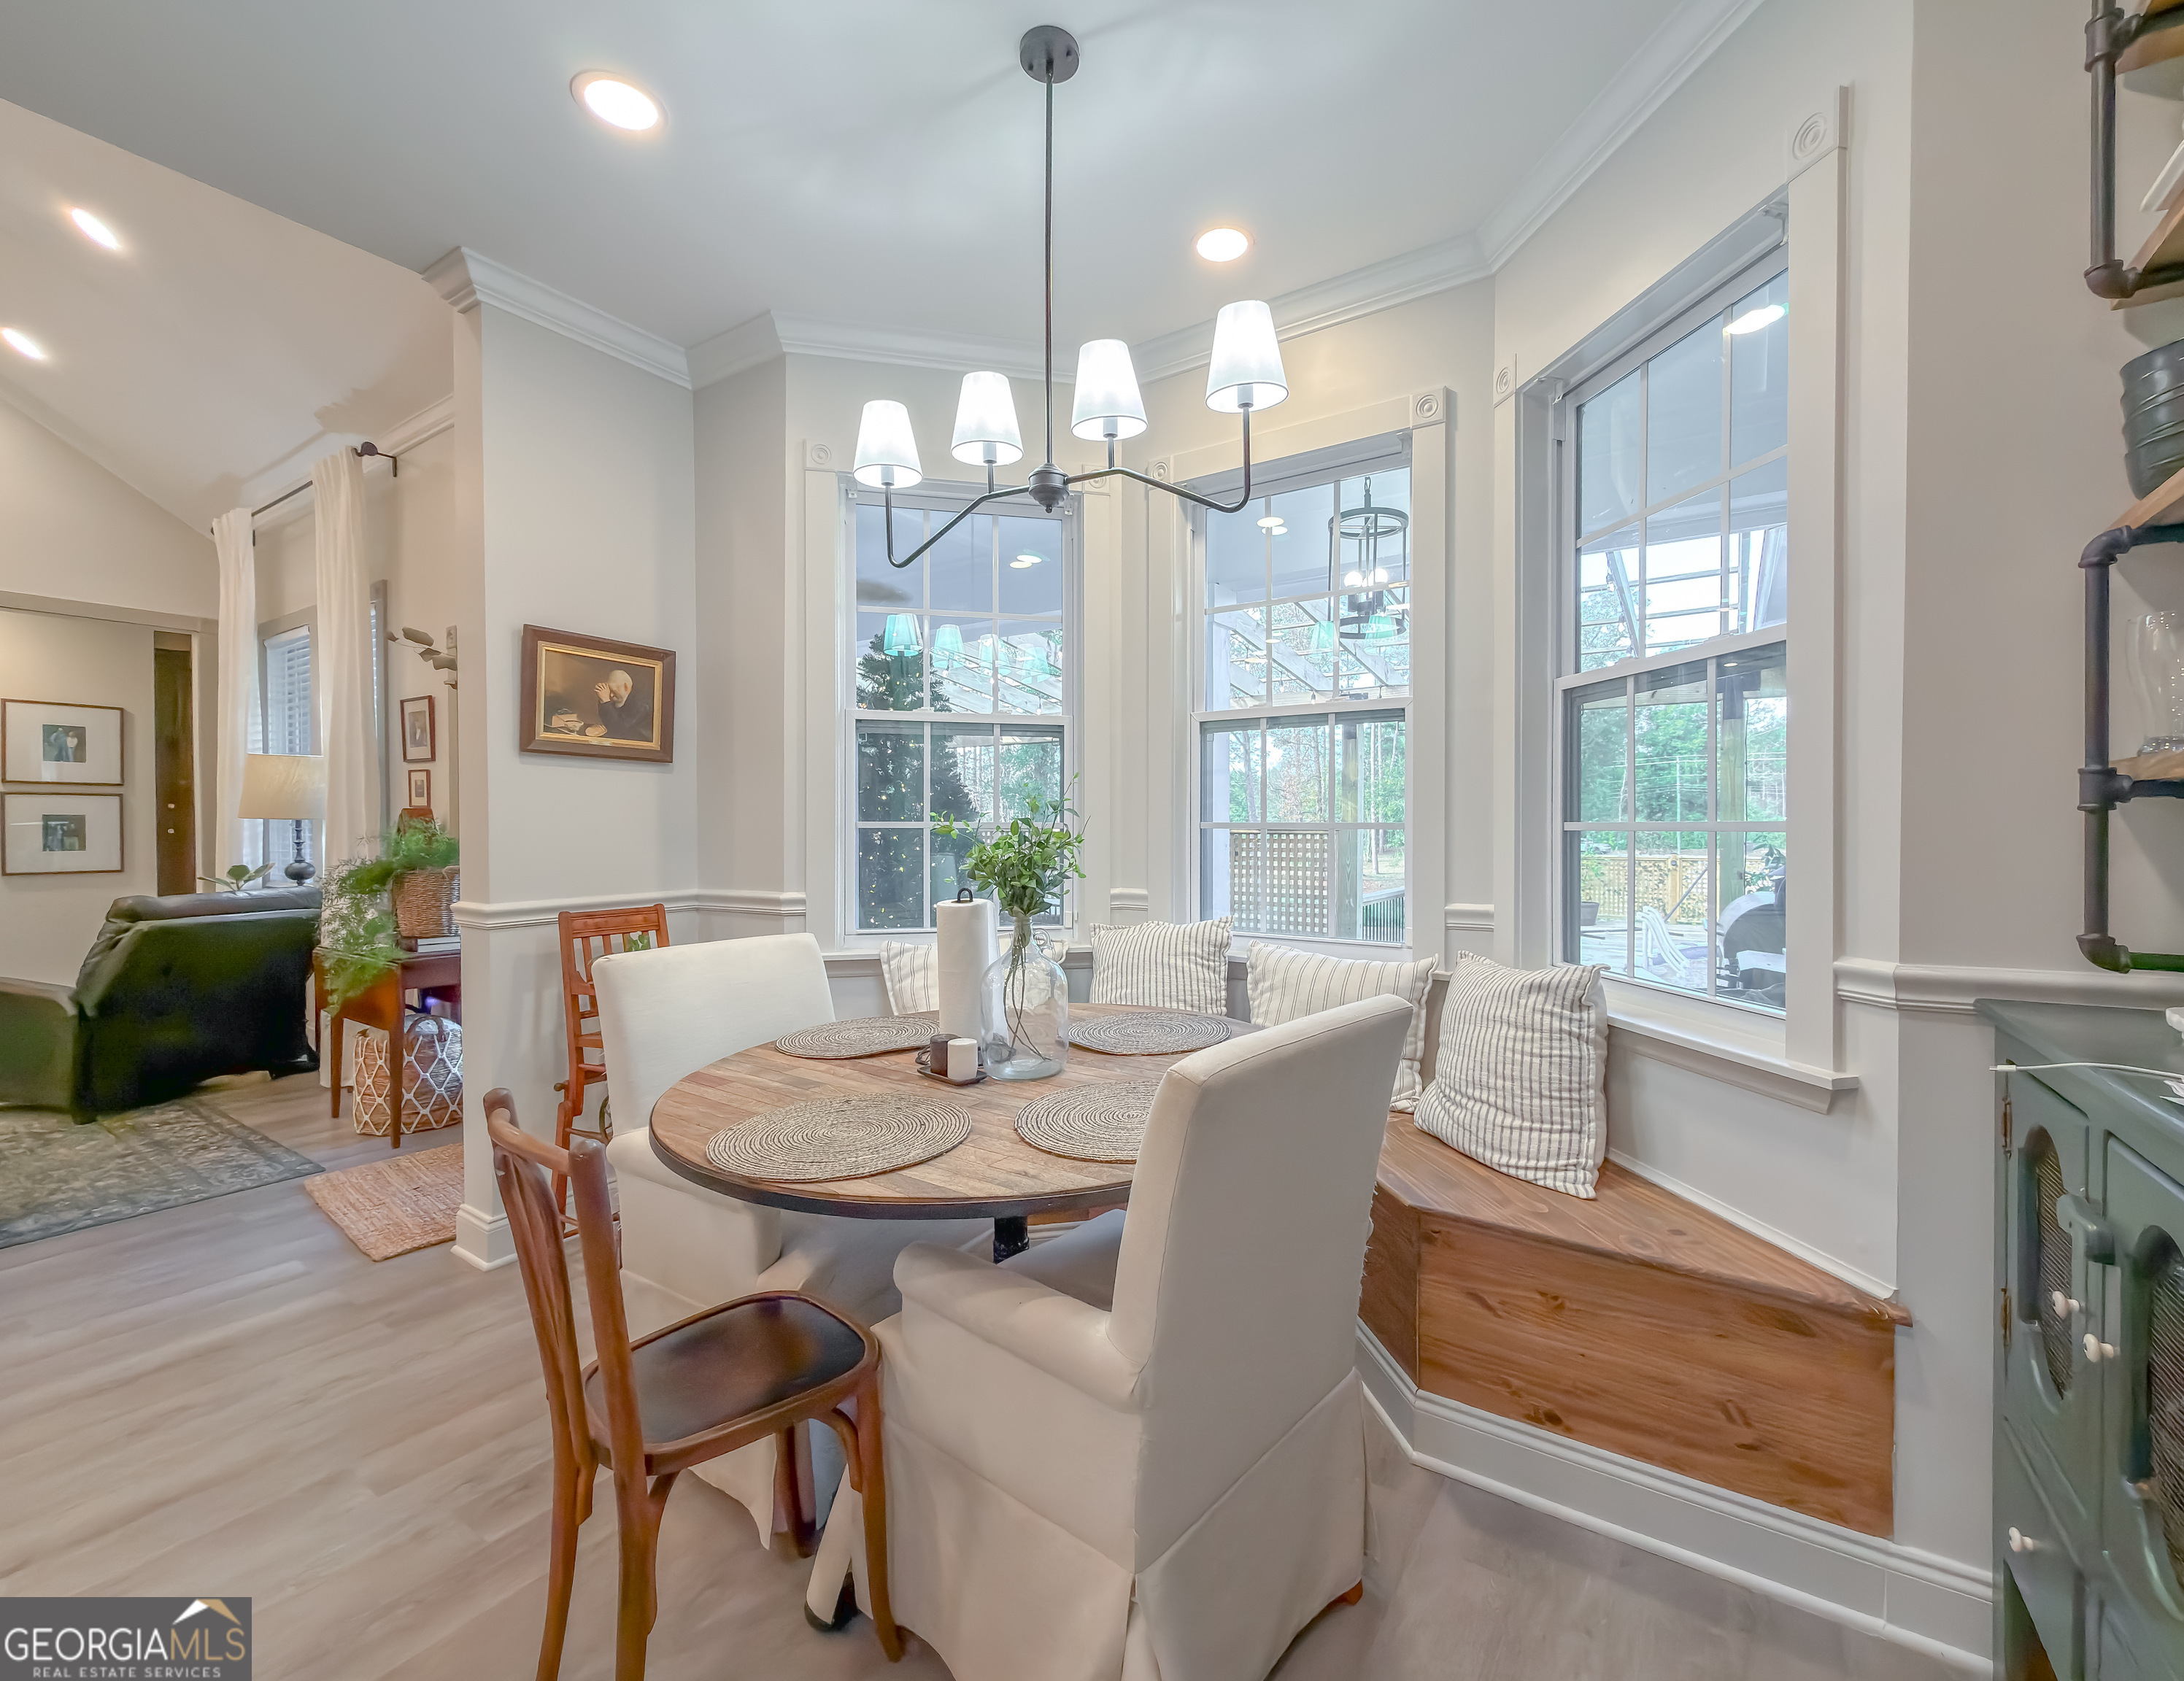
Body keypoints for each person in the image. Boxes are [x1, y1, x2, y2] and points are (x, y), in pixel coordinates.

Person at [592, 669, 652, 741]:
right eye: (609, 691)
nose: (611, 695)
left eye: (613, 691)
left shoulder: (641, 705)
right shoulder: (619, 699)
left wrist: (605, 701)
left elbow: (618, 730)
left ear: (626, 687)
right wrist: (603, 700)